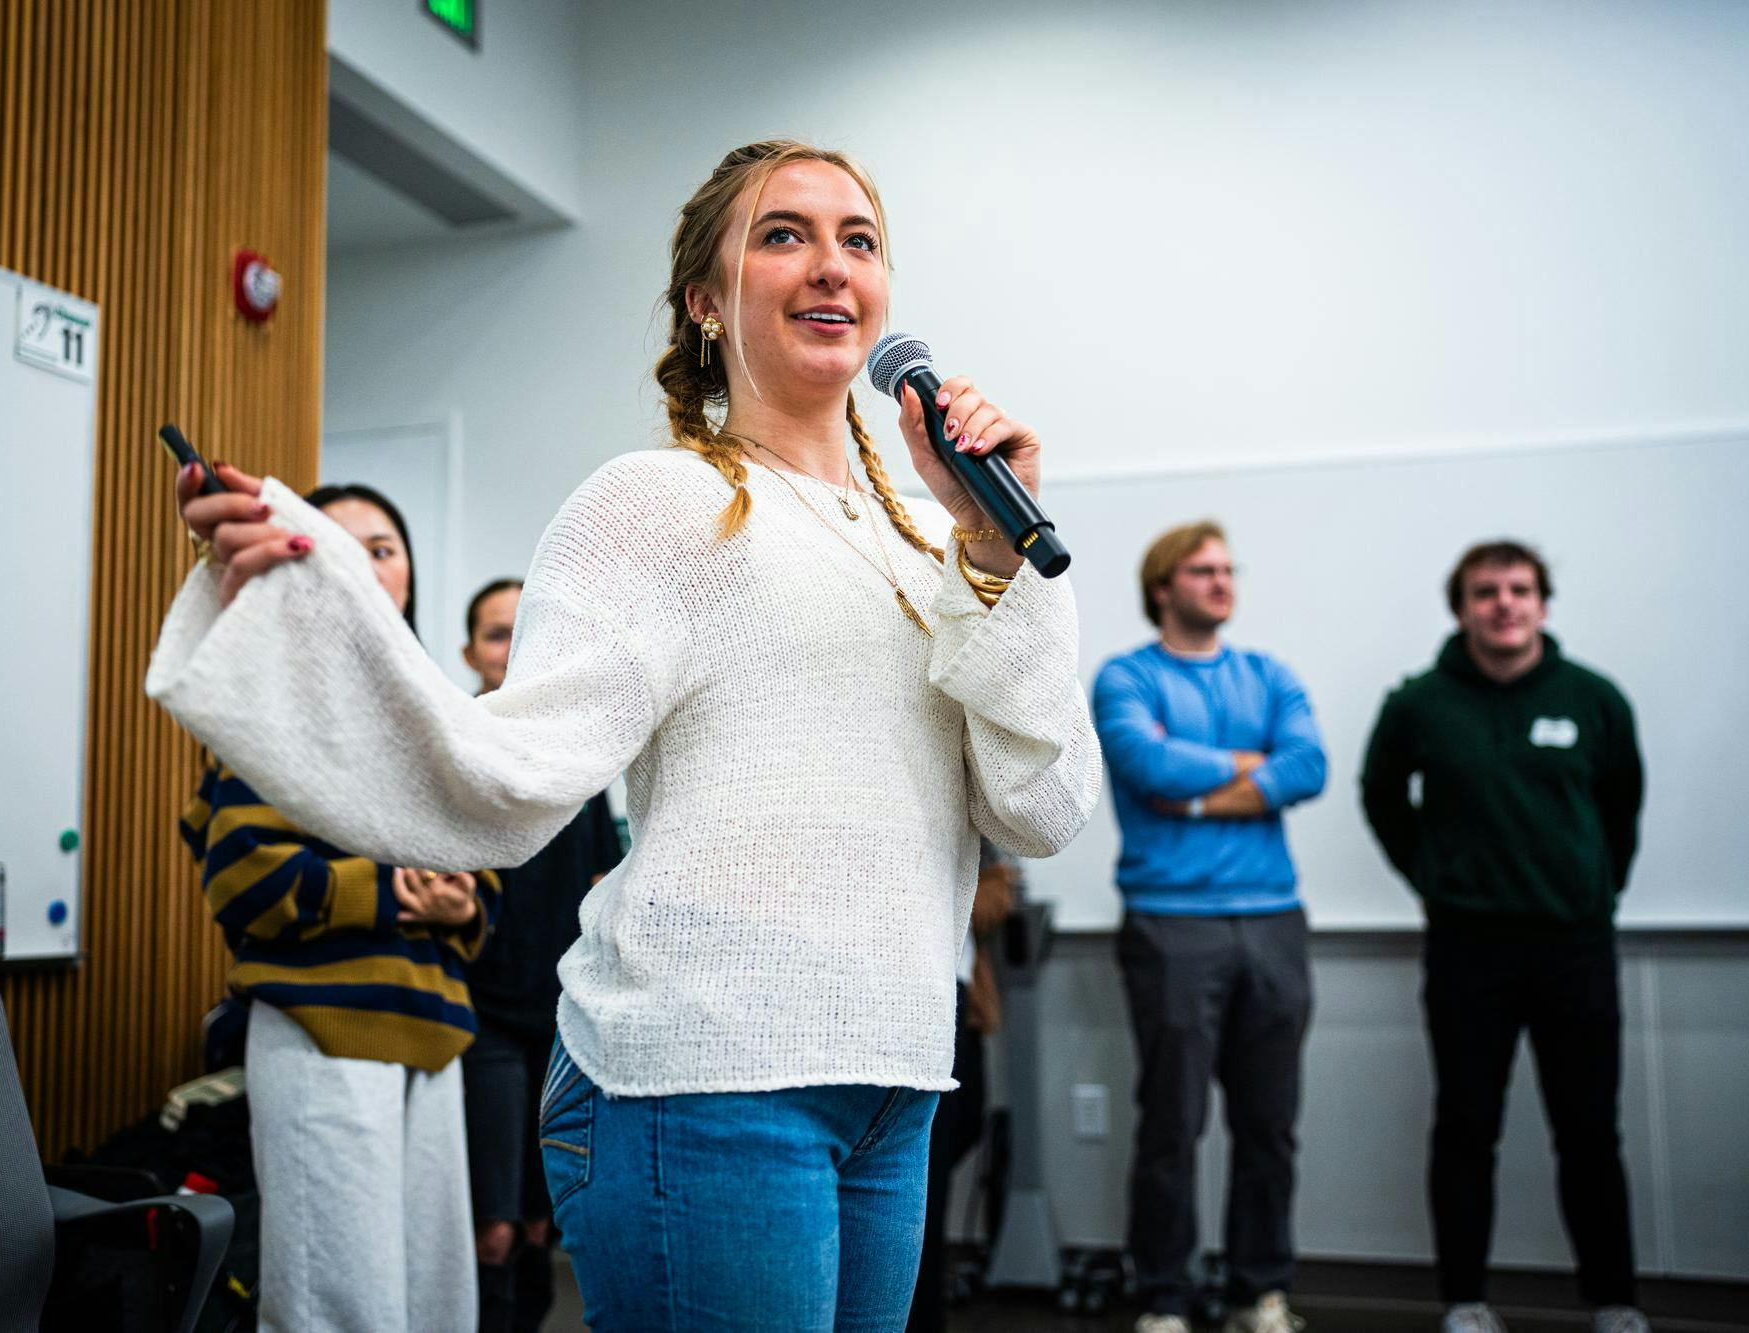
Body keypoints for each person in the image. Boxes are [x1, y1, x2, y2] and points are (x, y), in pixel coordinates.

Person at [151, 138, 1102, 1330]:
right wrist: (317, 600)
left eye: (857, 240)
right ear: (704, 301)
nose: (830, 265)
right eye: (783, 234)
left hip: (894, 1080)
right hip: (699, 1082)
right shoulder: (654, 503)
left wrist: (998, 548)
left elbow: (1042, 807)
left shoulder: (940, 536)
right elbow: (500, 777)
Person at [176, 482, 498, 1333]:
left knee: (439, 1308)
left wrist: (462, 902)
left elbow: (484, 871)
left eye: (383, 548)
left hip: (436, 1036)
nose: (365, 564)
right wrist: (391, 891)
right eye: (341, 546)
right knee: (339, 1308)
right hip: (324, 1031)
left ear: (409, 574)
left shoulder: (438, 713)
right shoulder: (274, 703)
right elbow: (244, 876)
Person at [1360, 541, 1647, 1333]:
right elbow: (1381, 796)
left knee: (1590, 1131)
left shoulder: (1595, 699)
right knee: (1465, 1127)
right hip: (1468, 949)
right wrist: (1434, 877)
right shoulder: (1419, 703)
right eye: (1485, 591)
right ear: (1462, 609)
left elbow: (1622, 808)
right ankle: (1465, 1302)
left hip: (1575, 947)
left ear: (1543, 604)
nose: (1504, 604)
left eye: (1520, 589)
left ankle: (1616, 1302)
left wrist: (1595, 888)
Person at [1090, 521, 1326, 1333]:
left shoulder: (1269, 673)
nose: (1222, 581)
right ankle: (1164, 1297)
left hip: (1273, 920)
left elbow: (1310, 765)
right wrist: (1258, 766)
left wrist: (1193, 796)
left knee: (1269, 1125)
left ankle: (1259, 1292)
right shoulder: (1127, 677)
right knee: (1173, 1122)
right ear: (1163, 586)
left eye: (1228, 569)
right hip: (1171, 923)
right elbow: (1148, 765)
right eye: (1202, 570)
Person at [456, 576, 625, 1333]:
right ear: (470, 652)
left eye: (525, 628)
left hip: (558, 1019)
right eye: (497, 633)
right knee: (489, 1225)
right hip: (480, 1017)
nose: (513, 646)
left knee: (535, 1222)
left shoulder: (577, 759)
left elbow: (599, 880)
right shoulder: (458, 743)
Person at [908, 841, 1013, 1333]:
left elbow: (999, 888)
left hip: (954, 987)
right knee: (918, 1175)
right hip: (911, 984)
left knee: (958, 1130)